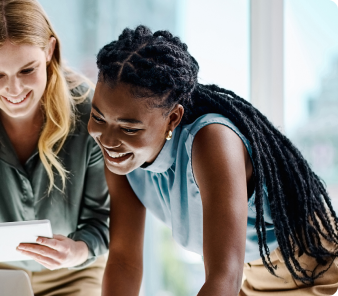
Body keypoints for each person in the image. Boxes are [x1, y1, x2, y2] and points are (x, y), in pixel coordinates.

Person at [89, 25, 338, 296]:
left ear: (173, 118)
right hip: (253, 278)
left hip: (314, 270)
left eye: (129, 128)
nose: (108, 139)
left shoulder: (212, 141)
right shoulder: (120, 158)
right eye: (99, 118)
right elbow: (124, 262)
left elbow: (223, 277)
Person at [0, 0, 110, 295]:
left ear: (50, 51)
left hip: (74, 271)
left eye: (28, 70)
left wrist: (77, 250)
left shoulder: (89, 114)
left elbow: (102, 219)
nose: (14, 90)